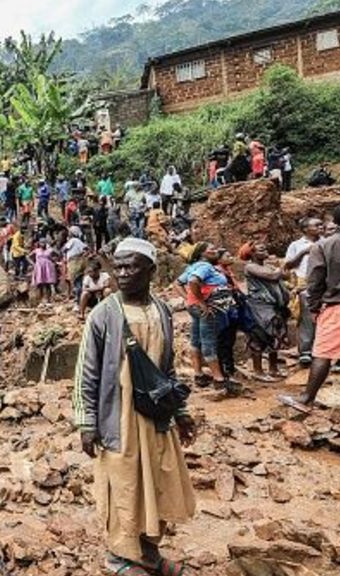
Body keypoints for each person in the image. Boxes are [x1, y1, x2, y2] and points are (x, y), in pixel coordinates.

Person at [74, 237, 196, 576]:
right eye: (119, 266)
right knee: (123, 486)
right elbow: (87, 372)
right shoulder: (103, 314)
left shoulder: (161, 310)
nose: (123, 273)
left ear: (151, 271)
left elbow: (166, 368)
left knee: (156, 484)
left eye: (132, 267)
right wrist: (87, 423)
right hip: (119, 419)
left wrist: (181, 412)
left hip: (156, 416)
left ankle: (150, 555)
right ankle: (118, 557)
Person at [290, 204, 340, 407]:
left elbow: (315, 280)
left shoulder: (323, 246)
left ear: (336, 223)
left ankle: (306, 398)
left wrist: (313, 307)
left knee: (323, 354)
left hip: (339, 306)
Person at [177, 242, 234, 392]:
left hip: (194, 308)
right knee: (209, 341)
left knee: (196, 340)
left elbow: (178, 283)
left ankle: (199, 374)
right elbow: (194, 281)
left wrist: (189, 299)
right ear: (203, 254)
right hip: (207, 309)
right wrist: (202, 302)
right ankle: (219, 380)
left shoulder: (193, 266)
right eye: (212, 250)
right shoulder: (205, 267)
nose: (216, 251)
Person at [240, 242, 291, 382]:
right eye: (261, 249)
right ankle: (258, 371)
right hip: (260, 306)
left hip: (274, 306)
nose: (265, 250)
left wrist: (280, 270)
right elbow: (274, 276)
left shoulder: (268, 266)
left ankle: (273, 369)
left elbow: (285, 276)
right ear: (252, 254)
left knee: (276, 334)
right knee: (259, 335)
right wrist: (282, 267)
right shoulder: (250, 267)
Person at [284, 218, 324, 366]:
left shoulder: (326, 241)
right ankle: (306, 351)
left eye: (321, 224)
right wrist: (304, 252)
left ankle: (322, 349)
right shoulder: (296, 245)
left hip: (325, 283)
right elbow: (287, 265)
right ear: (305, 229)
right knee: (306, 317)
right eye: (317, 225)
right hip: (305, 284)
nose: (321, 227)